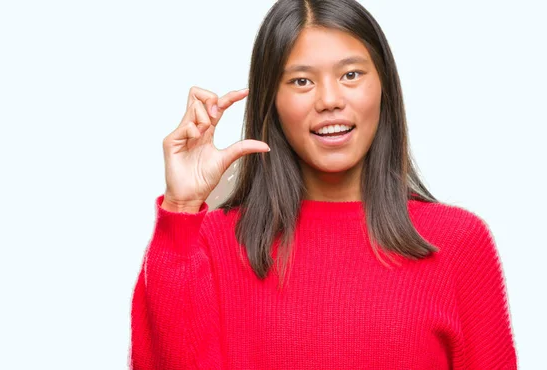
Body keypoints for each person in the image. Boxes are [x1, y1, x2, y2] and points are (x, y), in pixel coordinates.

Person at [129, 0, 517, 368]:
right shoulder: (207, 246)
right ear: (272, 102)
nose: (330, 99)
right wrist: (180, 210)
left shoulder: (458, 243)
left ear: (384, 86)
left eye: (351, 74)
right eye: (301, 81)